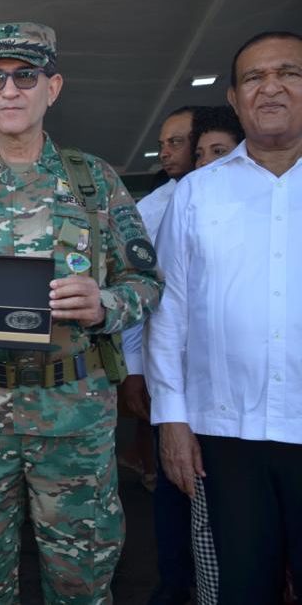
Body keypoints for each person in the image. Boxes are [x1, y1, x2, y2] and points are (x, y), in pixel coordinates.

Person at [0, 22, 163, 603]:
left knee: (82, 581)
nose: (10, 91)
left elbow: (145, 281)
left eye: (26, 76)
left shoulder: (93, 181)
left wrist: (105, 305)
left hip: (73, 418)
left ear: (54, 87)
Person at [146, 30, 302, 603]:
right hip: (226, 431)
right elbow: (170, 315)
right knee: (241, 586)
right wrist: (173, 421)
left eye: (289, 72)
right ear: (235, 100)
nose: (272, 87)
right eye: (255, 77)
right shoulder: (197, 195)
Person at [120, 106, 200, 605]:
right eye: (163, 143)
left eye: (177, 142)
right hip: (168, 370)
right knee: (174, 493)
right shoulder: (152, 208)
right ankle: (174, 584)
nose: (165, 152)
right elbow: (141, 298)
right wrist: (134, 371)